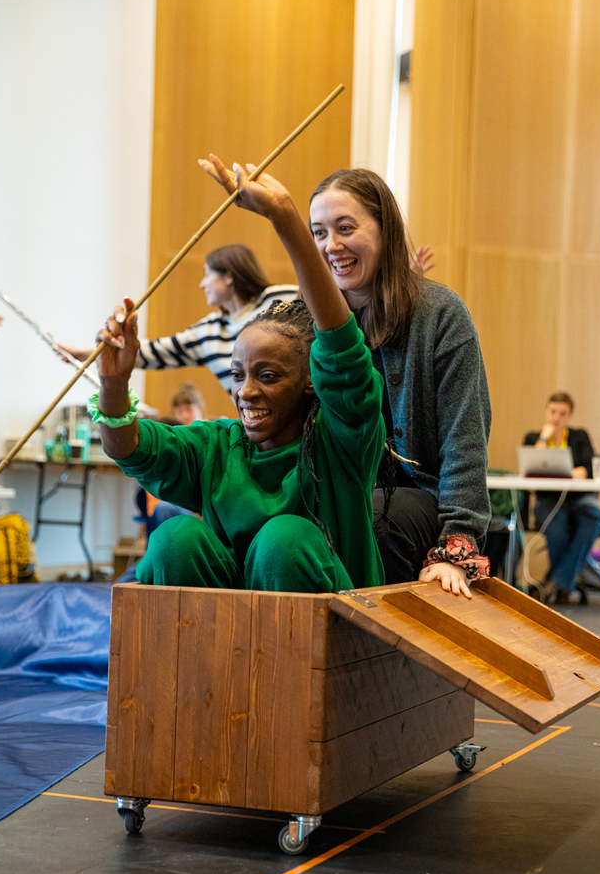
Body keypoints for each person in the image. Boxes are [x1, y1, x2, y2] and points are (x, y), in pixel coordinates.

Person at [201, 158, 492, 598]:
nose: (331, 245)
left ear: (385, 230)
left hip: (409, 499)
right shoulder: (299, 320)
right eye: (318, 232)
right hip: (325, 486)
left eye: (345, 228)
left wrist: (457, 545)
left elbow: (464, 440)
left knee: (373, 521)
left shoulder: (441, 315)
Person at [90, 164, 388, 594]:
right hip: (234, 639)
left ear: (311, 380)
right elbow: (130, 448)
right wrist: (114, 385)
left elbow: (342, 346)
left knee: (284, 541)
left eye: (267, 376)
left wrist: (285, 216)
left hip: (335, 642)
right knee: (175, 539)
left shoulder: (341, 440)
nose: (246, 391)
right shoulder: (219, 447)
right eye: (237, 375)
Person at [60, 244, 298, 391]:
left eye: (207, 275)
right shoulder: (209, 331)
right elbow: (154, 353)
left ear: (228, 277)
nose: (201, 284)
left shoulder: (282, 298)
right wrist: (89, 355)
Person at [523, 391, 600, 604]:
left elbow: (589, 468)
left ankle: (555, 581)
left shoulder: (579, 437)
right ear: (546, 411)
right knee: (556, 525)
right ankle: (564, 585)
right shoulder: (533, 438)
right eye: (553, 411)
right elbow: (530, 468)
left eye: (562, 413)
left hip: (579, 498)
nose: (556, 417)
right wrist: (544, 438)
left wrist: (579, 471)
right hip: (548, 500)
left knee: (593, 517)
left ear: (569, 416)